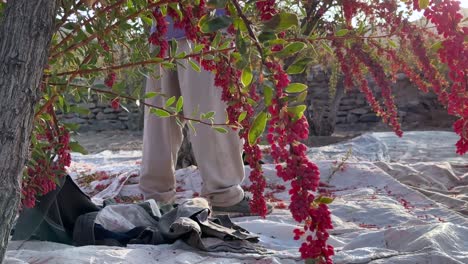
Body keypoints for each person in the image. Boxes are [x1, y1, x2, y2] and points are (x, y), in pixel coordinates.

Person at [139, 14, 272, 216]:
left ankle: (155, 197)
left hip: (162, 28)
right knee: (213, 113)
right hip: (206, 27)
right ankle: (223, 195)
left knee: (160, 118)